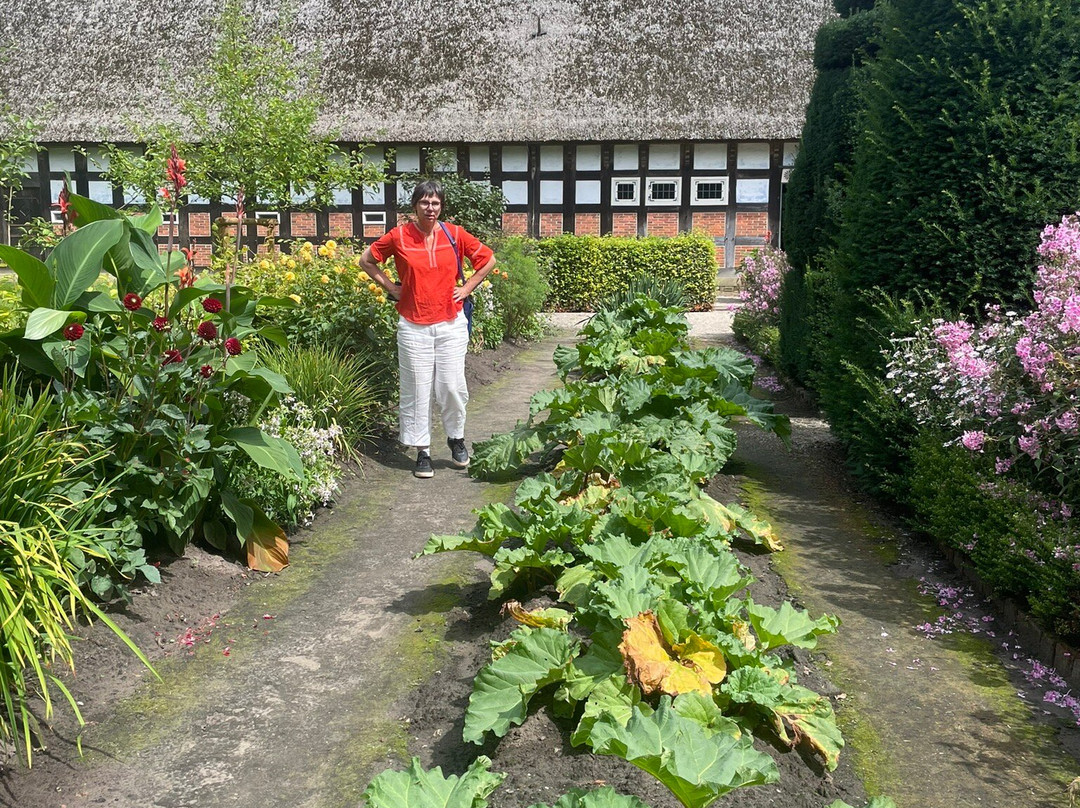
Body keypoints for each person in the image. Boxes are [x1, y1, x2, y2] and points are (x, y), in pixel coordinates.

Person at [359, 179, 496, 478]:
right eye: (424, 202)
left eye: (435, 203)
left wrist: (468, 287)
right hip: (412, 324)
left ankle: (456, 438)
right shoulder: (399, 236)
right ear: (415, 205)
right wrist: (390, 287)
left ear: (441, 206)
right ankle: (422, 450)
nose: (430, 208)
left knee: (450, 385)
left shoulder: (454, 234)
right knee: (417, 388)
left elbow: (488, 259)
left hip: (451, 322)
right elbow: (366, 260)